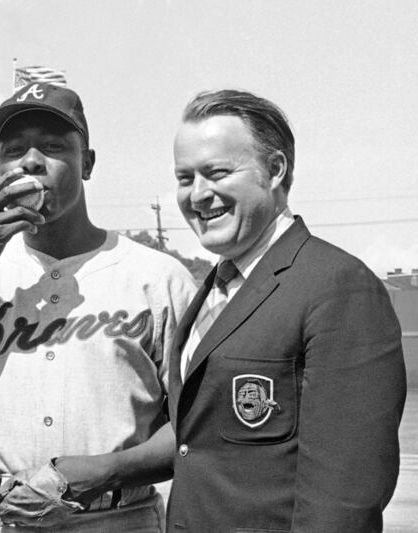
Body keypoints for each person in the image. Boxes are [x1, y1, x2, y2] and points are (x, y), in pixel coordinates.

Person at [0, 82, 196, 532]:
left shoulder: (157, 277)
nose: (30, 161)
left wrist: (105, 471)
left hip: (118, 516)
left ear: (87, 163)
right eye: (13, 150)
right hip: (3, 517)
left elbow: (197, 428)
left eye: (52, 146)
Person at [167, 89, 406, 532]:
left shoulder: (337, 287)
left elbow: (345, 500)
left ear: (275, 170)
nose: (198, 194)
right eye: (185, 178)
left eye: (216, 172)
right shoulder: (213, 290)